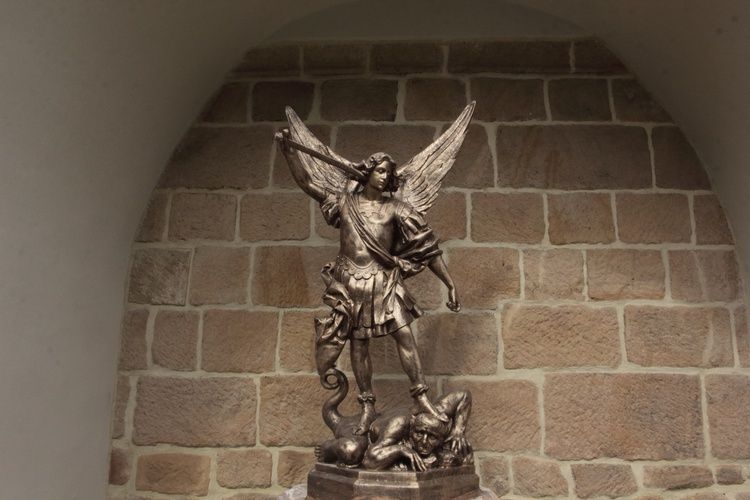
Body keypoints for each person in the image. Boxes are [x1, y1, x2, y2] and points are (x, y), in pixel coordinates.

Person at [278, 133, 461, 435]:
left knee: (405, 335)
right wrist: (289, 154)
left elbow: (427, 247)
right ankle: (367, 406)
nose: (384, 176)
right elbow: (309, 184)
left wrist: (450, 284)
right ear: (368, 172)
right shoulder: (345, 203)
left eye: (388, 173)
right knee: (359, 344)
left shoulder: (396, 209)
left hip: (383, 280)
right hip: (350, 280)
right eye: (380, 170)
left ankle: (421, 398)